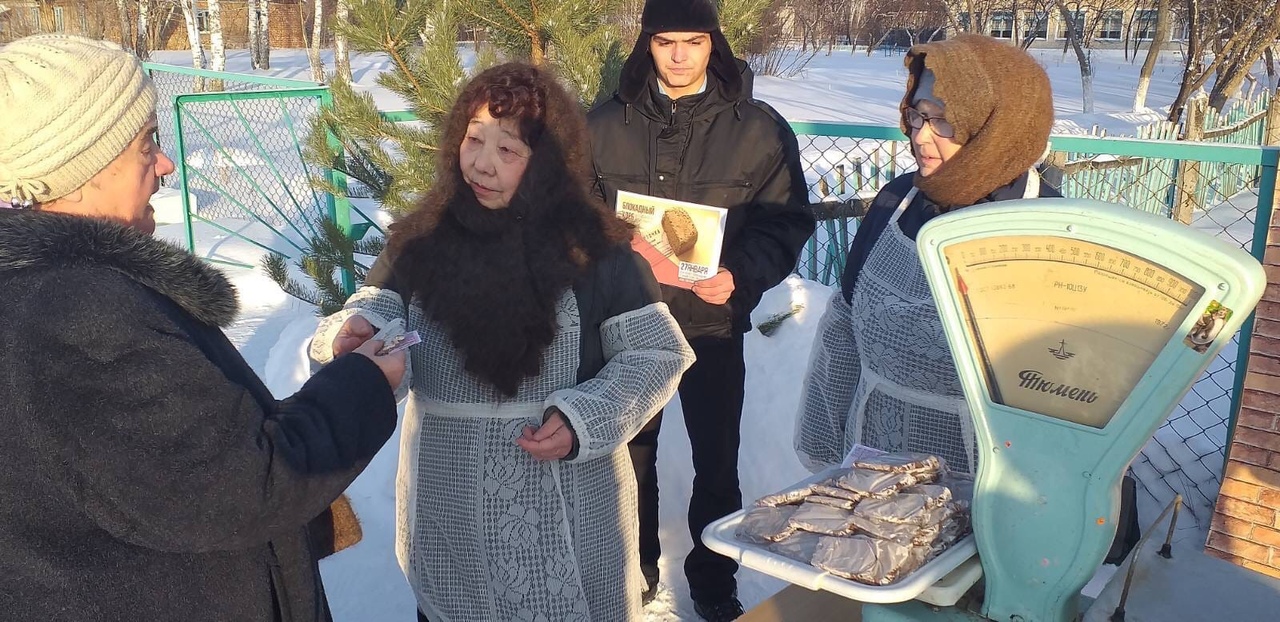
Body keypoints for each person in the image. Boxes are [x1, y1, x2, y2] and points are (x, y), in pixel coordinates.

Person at [0, 35, 405, 621]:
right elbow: (237, 487)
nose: (165, 165)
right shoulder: (75, 311)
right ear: (79, 170)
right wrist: (364, 386)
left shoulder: (38, 291)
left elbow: (177, 456)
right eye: (146, 145)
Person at [309, 63, 695, 622]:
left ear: (548, 163)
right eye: (473, 139)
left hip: (565, 516)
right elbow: (377, 307)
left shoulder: (597, 252)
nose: (481, 163)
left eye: (508, 150)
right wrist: (356, 334)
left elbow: (656, 354)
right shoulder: (420, 241)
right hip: (449, 515)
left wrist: (585, 417)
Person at [587, 1, 814, 617]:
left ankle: (714, 586)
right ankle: (635, 576)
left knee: (716, 461)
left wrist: (740, 275)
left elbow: (784, 220)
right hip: (629, 329)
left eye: (694, 40)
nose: (680, 56)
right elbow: (574, 218)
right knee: (630, 458)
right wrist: (609, 257)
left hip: (712, 328)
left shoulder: (758, 130)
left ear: (714, 42)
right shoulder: (602, 126)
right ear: (647, 44)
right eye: (666, 42)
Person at [795, 34, 1058, 477]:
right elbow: (844, 324)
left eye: (944, 121)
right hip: (874, 462)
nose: (920, 136)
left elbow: (1067, 387)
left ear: (998, 129)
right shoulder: (897, 201)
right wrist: (823, 449)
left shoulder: (1051, 233)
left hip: (989, 480)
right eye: (917, 115)